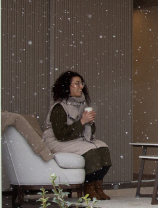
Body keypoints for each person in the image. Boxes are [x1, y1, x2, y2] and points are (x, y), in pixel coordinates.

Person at [43, 71, 112, 200]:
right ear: (66, 86)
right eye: (77, 83)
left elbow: (90, 131)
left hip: (75, 139)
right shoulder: (59, 107)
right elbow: (61, 135)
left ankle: (98, 187)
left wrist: (89, 122)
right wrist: (82, 122)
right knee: (91, 152)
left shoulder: (82, 104)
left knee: (103, 149)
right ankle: (88, 187)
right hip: (57, 141)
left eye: (81, 83)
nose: (81, 86)